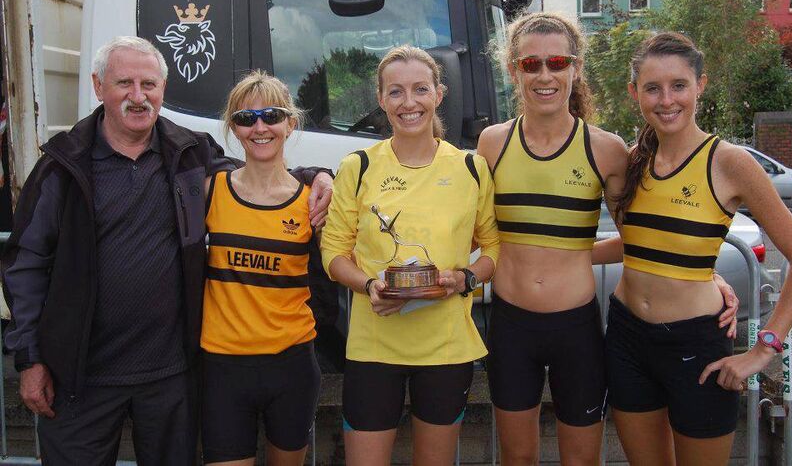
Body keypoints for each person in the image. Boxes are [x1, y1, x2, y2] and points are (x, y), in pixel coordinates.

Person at [1, 36, 331, 465]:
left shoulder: (190, 155)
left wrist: (318, 176)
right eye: (124, 83)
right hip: (81, 377)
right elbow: (25, 265)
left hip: (170, 378)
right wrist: (30, 358)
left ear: (163, 89)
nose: (138, 97)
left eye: (149, 84)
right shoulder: (63, 165)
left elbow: (257, 177)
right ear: (98, 86)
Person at [476, 13, 739, 465]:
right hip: (511, 326)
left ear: (576, 68)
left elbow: (641, 237)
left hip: (576, 329)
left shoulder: (606, 150)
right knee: (516, 458)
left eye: (558, 62)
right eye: (531, 64)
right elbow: (473, 233)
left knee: (582, 460)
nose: (545, 75)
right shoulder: (492, 143)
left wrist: (705, 272)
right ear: (513, 70)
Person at [596, 32, 792, 465]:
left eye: (679, 85)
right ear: (635, 93)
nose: (666, 100)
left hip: (696, 345)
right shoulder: (633, 162)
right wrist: (559, 256)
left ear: (700, 85)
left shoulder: (730, 162)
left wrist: (765, 347)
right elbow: (640, 245)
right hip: (627, 338)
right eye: (653, 88)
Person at [320, 45, 500, 466]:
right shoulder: (359, 166)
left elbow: (493, 247)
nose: (409, 102)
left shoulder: (470, 168)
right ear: (381, 100)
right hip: (374, 347)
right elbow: (333, 251)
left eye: (420, 89)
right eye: (396, 92)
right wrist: (369, 284)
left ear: (439, 94)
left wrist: (466, 278)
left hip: (446, 348)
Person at [200, 71, 321, 466]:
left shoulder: (312, 201)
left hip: (291, 366)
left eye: (271, 115)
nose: (260, 128)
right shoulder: (211, 191)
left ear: (290, 123)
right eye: (245, 118)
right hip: (222, 367)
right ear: (233, 128)